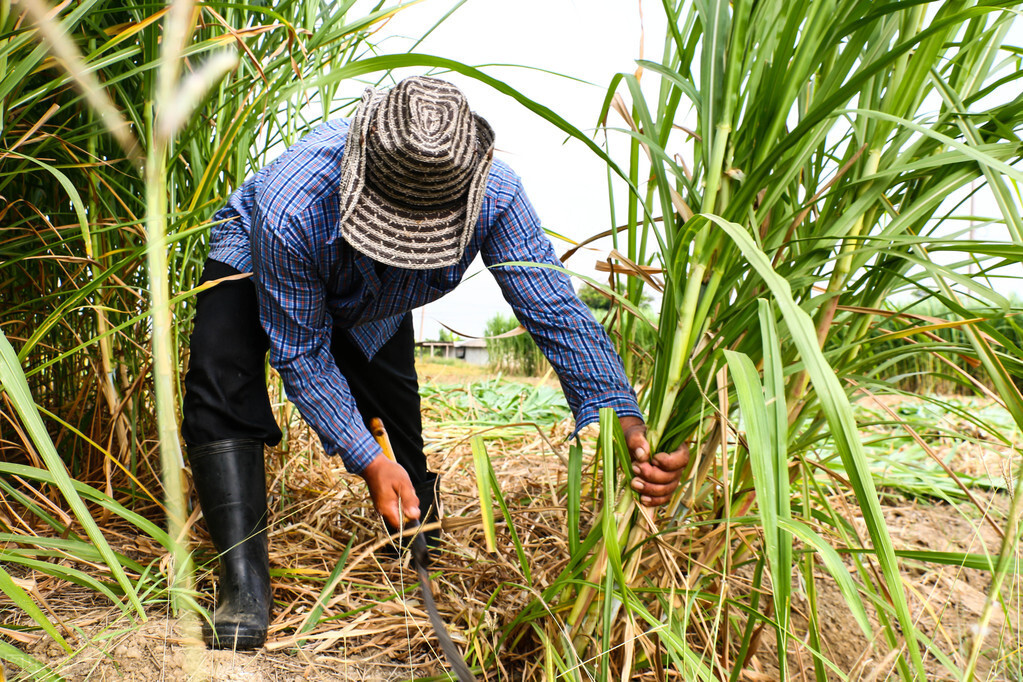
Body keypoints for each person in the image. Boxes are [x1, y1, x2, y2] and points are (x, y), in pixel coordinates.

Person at [180, 76, 689, 650]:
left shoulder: (497, 194)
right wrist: (367, 460)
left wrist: (617, 412)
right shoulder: (289, 205)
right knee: (221, 381)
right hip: (256, 260)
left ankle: (416, 539)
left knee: (399, 427)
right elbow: (302, 352)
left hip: (379, 301)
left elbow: (553, 309)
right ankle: (243, 580)